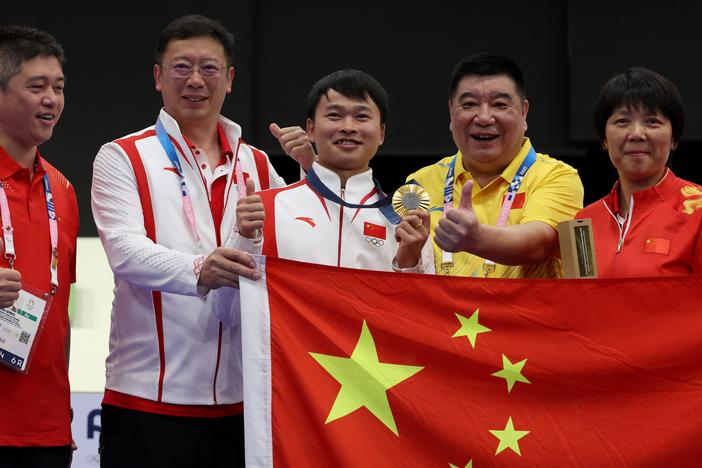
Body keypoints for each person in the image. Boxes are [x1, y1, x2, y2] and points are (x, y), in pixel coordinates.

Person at [91, 15, 311, 468]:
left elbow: (300, 242)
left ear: (229, 79)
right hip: (145, 400)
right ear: (158, 77)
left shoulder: (256, 162)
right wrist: (199, 269)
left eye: (209, 69)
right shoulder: (123, 156)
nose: (195, 81)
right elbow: (124, 252)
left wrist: (310, 172)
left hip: (240, 400)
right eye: (181, 67)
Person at [406, 52, 584, 278]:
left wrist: (476, 238)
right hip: (441, 314)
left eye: (499, 104)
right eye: (469, 104)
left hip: (524, 314)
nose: (483, 117)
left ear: (524, 112)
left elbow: (538, 243)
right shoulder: (420, 183)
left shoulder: (555, 176)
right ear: (451, 112)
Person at [235, 69, 433, 272]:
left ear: (381, 133)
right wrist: (245, 238)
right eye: (334, 115)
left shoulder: (404, 223)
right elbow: (234, 293)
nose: (348, 127)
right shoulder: (266, 208)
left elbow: (417, 301)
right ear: (310, 129)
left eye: (362, 117)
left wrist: (409, 262)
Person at [0, 25, 78, 467]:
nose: (52, 99)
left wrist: (60, 422)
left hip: (47, 431)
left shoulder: (62, 190)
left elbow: (59, 310)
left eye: (59, 87)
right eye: (36, 86)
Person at [576, 67, 702, 277]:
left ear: (674, 139)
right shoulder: (582, 223)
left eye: (652, 121)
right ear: (604, 139)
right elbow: (578, 301)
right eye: (622, 121)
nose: (636, 134)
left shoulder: (697, 212)